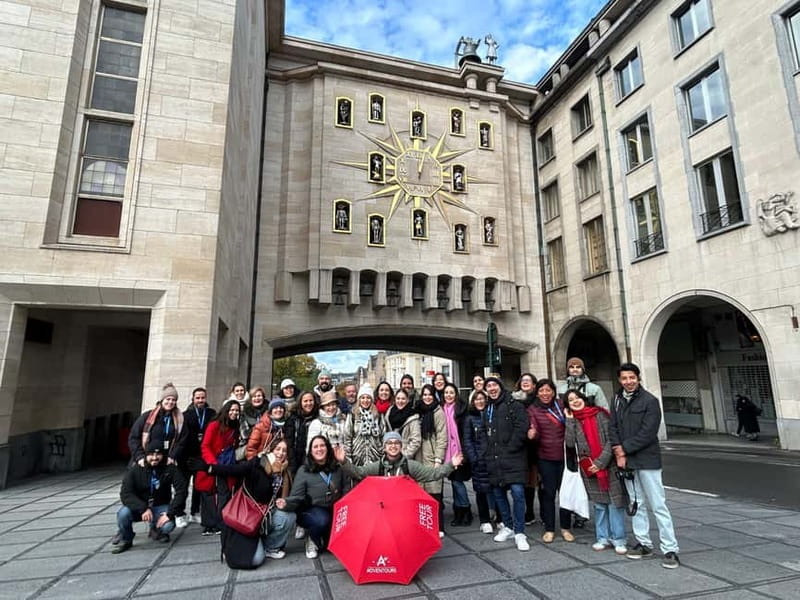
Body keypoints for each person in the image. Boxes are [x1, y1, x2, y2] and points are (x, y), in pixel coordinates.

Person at [609, 362, 680, 569]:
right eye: (624, 378)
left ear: (638, 378)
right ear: (620, 380)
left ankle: (670, 549)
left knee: (658, 504)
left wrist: (623, 449)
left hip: (647, 459)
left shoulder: (650, 401)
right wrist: (617, 450)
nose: (628, 382)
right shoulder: (616, 400)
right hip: (628, 461)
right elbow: (612, 427)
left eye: (632, 378)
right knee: (636, 503)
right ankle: (644, 543)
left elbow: (648, 433)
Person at [190, 439, 295, 566]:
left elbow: (294, 496)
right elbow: (234, 470)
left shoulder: (286, 471)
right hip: (248, 515)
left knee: (288, 516)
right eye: (278, 449)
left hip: (266, 515)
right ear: (271, 450)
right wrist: (209, 468)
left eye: (284, 450)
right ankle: (251, 545)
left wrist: (285, 502)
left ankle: (270, 547)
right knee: (256, 559)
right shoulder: (258, 464)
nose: (281, 453)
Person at [564, 389, 628, 555]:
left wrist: (600, 463)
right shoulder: (574, 421)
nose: (576, 401)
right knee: (600, 506)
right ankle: (602, 538)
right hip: (589, 468)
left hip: (608, 465)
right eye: (571, 400)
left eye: (577, 398)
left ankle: (619, 539)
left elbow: (611, 440)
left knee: (615, 504)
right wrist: (569, 421)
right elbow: (570, 443)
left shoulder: (600, 414)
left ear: (584, 398)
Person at [276, 435, 346, 559]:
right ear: (311, 451)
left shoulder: (337, 468)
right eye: (315, 447)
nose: (319, 449)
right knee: (322, 520)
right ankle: (312, 539)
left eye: (322, 445)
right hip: (311, 510)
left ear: (328, 448)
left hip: (333, 509)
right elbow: (296, 496)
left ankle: (323, 536)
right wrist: (286, 503)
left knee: (329, 545)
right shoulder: (304, 470)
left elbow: (345, 490)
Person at [112, 440, 187, 554]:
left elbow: (182, 490)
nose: (155, 458)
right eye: (151, 454)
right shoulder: (136, 469)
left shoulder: (169, 468)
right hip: (140, 507)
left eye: (158, 454)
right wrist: (142, 508)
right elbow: (126, 493)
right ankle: (126, 538)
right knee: (123, 514)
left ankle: (156, 530)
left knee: (168, 525)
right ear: (146, 455)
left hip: (160, 506)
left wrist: (170, 513)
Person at [484, 376, 530, 552]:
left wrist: (511, 447)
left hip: (513, 456)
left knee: (518, 493)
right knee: (498, 493)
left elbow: (521, 427)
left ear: (500, 387)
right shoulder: (488, 407)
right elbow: (483, 432)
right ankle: (508, 526)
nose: (492, 388)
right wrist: (486, 451)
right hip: (494, 458)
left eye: (494, 385)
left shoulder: (514, 404)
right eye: (489, 386)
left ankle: (520, 531)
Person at [527, 378, 574, 544]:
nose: (545, 394)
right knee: (548, 494)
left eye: (548, 390)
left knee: (566, 494)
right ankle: (549, 528)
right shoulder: (533, 409)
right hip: (545, 457)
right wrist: (532, 434)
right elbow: (534, 429)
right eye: (541, 391)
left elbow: (572, 424)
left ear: (553, 391)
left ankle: (566, 527)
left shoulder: (562, 405)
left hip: (566, 457)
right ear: (537, 392)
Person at [335, 431, 464, 480]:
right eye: (389, 443)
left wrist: (451, 465)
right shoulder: (377, 467)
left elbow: (433, 474)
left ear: (401, 446)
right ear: (384, 448)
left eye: (396, 443)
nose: (393, 446)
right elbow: (358, 473)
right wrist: (344, 462)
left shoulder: (410, 466)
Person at [195, 399, 240, 535]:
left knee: (224, 494)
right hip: (213, 464)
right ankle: (210, 524)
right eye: (232, 410)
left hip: (226, 465)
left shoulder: (235, 427)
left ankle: (221, 522)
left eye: (237, 410)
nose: (234, 413)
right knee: (209, 494)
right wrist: (213, 464)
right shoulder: (214, 425)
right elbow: (205, 445)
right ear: (226, 410)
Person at [180, 387, 216, 527]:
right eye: (198, 398)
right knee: (182, 486)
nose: (200, 400)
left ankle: (195, 511)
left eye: (202, 398)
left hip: (202, 456)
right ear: (193, 399)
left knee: (198, 486)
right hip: (187, 456)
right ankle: (180, 513)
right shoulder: (185, 415)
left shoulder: (211, 413)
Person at [128, 382, 187, 467]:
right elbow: (134, 438)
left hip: (167, 462)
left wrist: (172, 456)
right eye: (168, 399)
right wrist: (139, 457)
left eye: (173, 400)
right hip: (146, 460)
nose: (170, 402)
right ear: (162, 400)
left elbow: (181, 441)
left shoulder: (180, 419)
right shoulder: (147, 416)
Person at [416, 383, 448, 537]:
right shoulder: (418, 411)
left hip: (432, 456)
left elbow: (442, 436)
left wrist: (438, 459)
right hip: (418, 457)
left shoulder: (438, 411)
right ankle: (423, 526)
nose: (427, 397)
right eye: (424, 394)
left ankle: (439, 527)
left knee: (435, 494)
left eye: (430, 394)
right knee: (421, 494)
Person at [463, 390, 494, 533]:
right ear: (472, 402)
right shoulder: (470, 418)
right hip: (478, 460)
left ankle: (499, 517)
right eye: (476, 399)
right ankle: (485, 520)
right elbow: (467, 440)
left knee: (496, 490)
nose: (479, 401)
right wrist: (473, 457)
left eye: (482, 399)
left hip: (493, 459)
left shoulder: (491, 414)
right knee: (481, 491)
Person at [442, 382, 473, 527]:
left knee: (457, 483)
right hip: (448, 452)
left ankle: (465, 511)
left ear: (456, 395)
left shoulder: (461, 410)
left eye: (451, 392)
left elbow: (465, 433)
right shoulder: (442, 410)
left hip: (459, 451)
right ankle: (458, 513)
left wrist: (464, 453)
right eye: (446, 393)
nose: (448, 395)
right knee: (454, 483)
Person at [512, 372, 540, 526]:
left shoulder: (537, 400)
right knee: (523, 481)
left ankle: (534, 512)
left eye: (529, 380)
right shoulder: (513, 400)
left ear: (534, 385)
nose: (526, 382)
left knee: (534, 481)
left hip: (535, 446)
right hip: (520, 444)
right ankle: (527, 511)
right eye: (523, 380)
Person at [344, 384, 384, 468]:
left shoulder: (378, 416)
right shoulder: (352, 415)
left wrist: (382, 454)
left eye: (368, 398)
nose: (365, 400)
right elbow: (347, 438)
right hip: (357, 458)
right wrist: (349, 458)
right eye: (363, 398)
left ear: (372, 400)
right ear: (359, 399)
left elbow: (383, 437)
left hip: (376, 458)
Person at [383, 388, 421, 459]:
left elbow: (416, 440)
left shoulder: (413, 416)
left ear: (407, 400)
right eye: (398, 398)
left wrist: (404, 456)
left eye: (403, 399)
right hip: (390, 455)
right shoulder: (389, 413)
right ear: (395, 399)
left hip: (405, 457)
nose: (400, 401)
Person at [289, 391, 318, 473]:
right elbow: (289, 443)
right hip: (296, 460)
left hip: (314, 460)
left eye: (311, 400)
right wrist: (293, 465)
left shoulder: (318, 418)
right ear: (300, 402)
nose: (308, 403)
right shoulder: (293, 418)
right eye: (305, 401)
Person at [238, 386, 267, 460]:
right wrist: (259, 428)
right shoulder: (244, 413)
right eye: (254, 396)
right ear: (251, 399)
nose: (257, 398)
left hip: (266, 447)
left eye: (259, 396)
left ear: (263, 397)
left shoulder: (269, 411)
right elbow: (245, 434)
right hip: (248, 447)